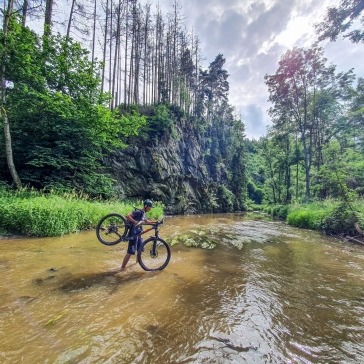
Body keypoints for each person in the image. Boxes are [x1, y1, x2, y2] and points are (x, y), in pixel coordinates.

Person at [121, 199, 156, 270]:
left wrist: (155, 222)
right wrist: (135, 222)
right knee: (130, 252)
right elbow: (127, 216)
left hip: (138, 233)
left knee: (140, 249)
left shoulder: (143, 213)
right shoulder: (138, 212)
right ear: (146, 206)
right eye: (150, 207)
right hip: (133, 233)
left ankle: (136, 265)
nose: (150, 209)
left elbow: (146, 221)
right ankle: (122, 268)